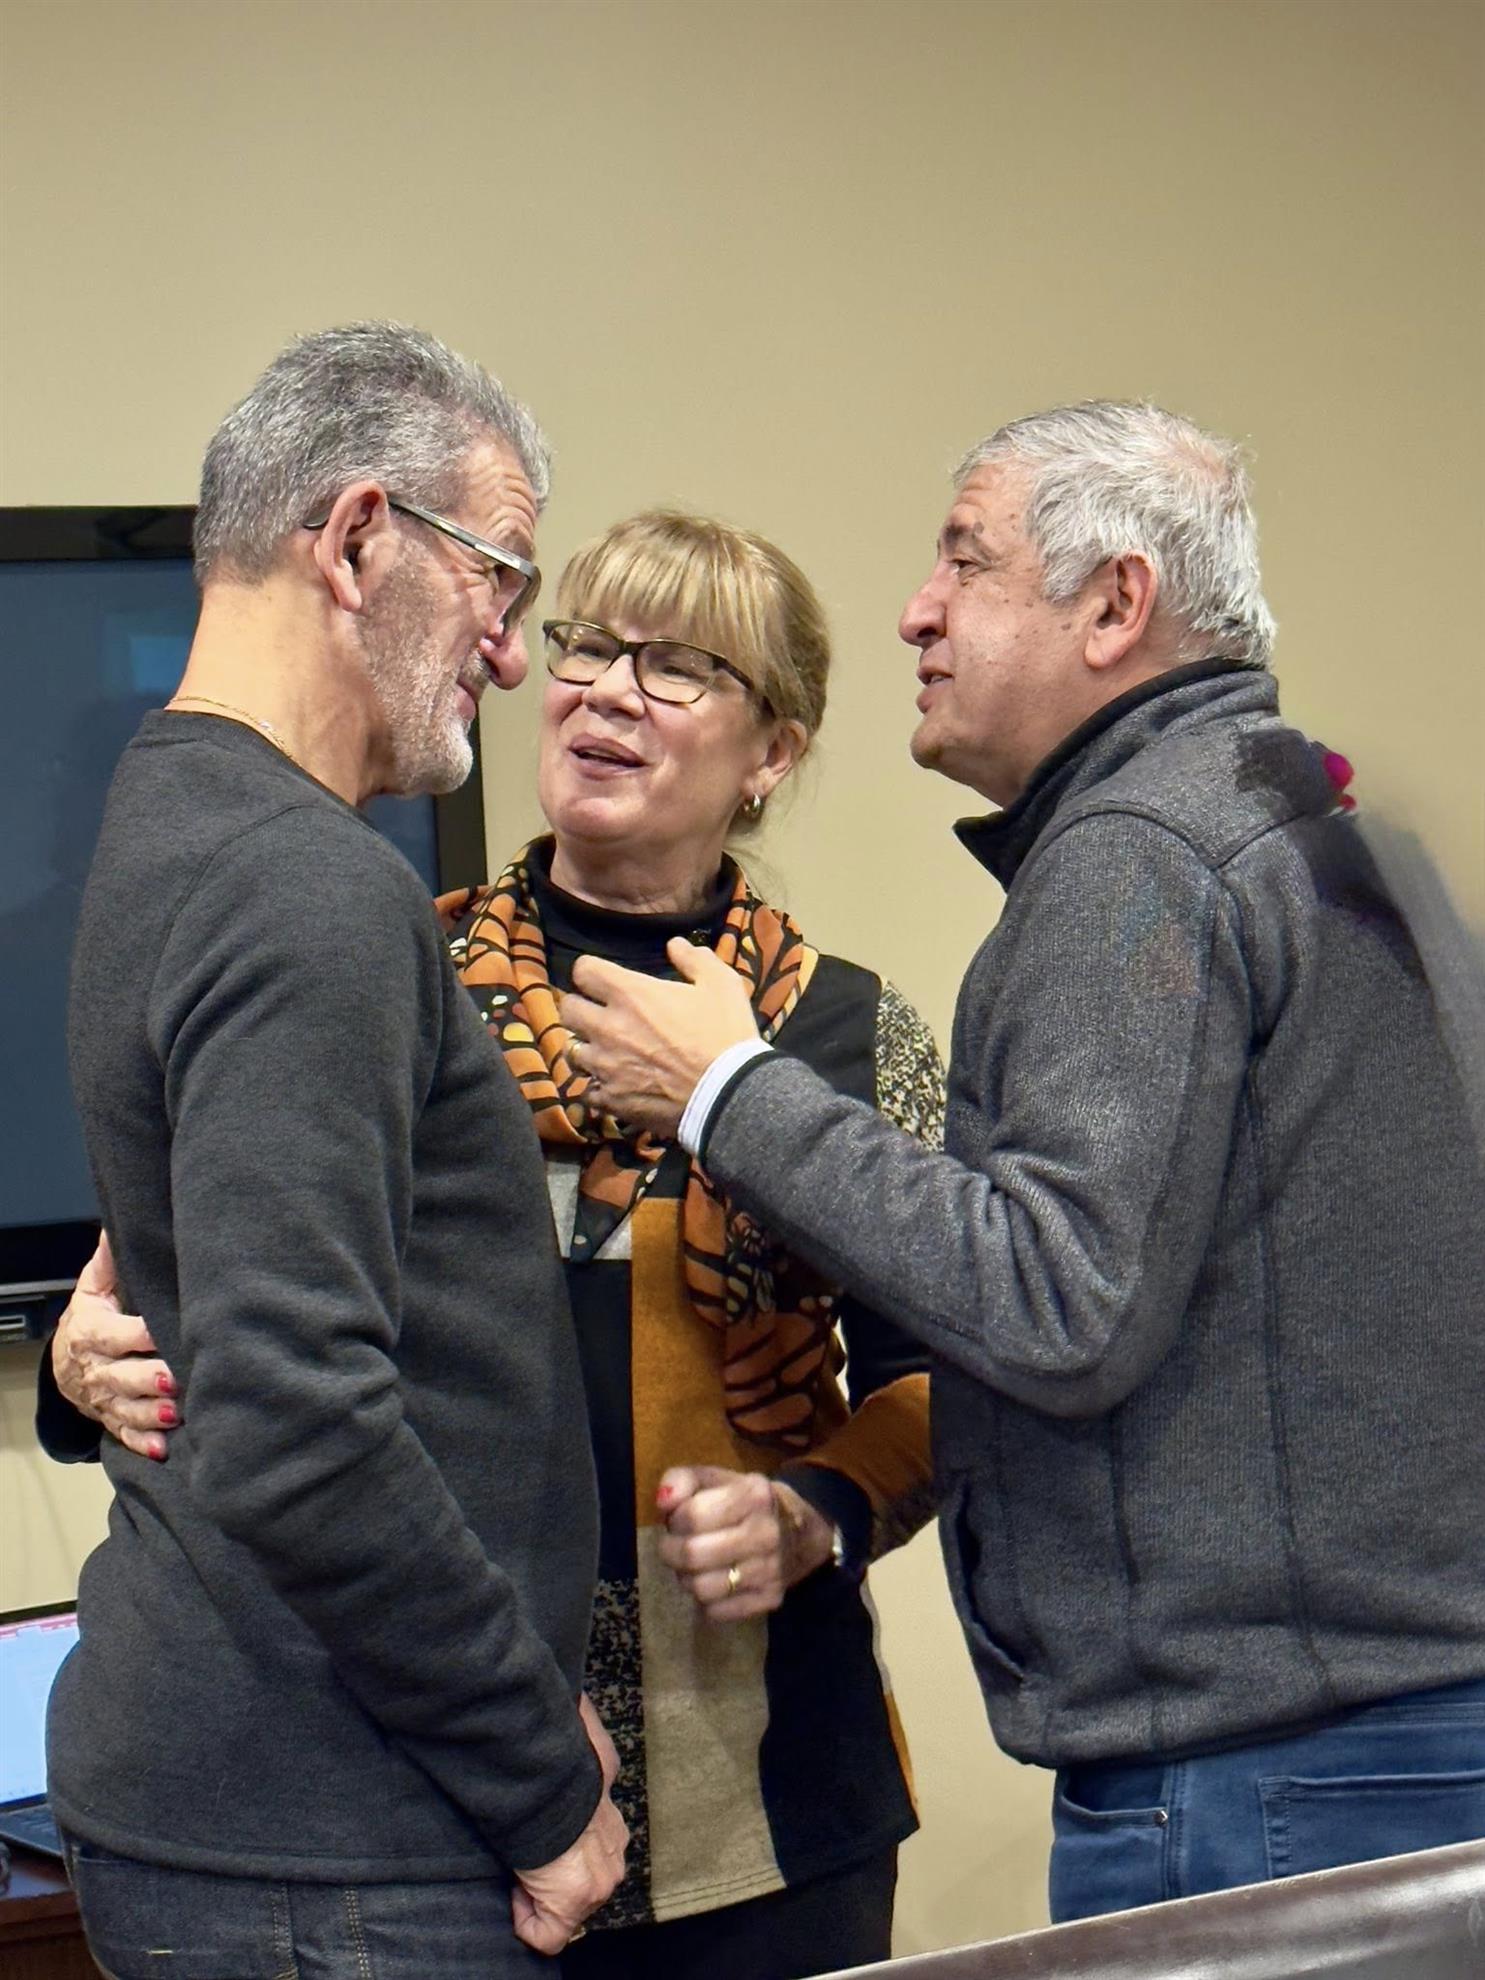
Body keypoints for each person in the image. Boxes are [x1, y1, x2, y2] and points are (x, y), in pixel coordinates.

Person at [560, 402, 1485, 1921]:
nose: (916, 612)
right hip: (1367, 1731)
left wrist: (727, 1088)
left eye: (964, 562)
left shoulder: (1144, 855)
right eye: (586, 647)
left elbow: (1055, 1303)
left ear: (1115, 607)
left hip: (1258, 1768)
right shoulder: (1304, 818)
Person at [45, 510, 947, 1978]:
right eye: (584, 646)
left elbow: (947, 1373)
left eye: (676, 666)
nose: (603, 691)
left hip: (767, 1786)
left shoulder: (846, 1033)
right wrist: (79, 1362)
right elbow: (207, 1281)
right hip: (451, 1785)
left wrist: (817, 1512)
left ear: (772, 753)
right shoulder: (389, 960)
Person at [46, 322, 627, 1979]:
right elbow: (300, 1420)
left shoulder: (170, 816)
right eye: (497, 580)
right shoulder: (307, 885)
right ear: (361, 538)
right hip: (330, 1845)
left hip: (274, 1807)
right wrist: (538, 1784)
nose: (509, 655)